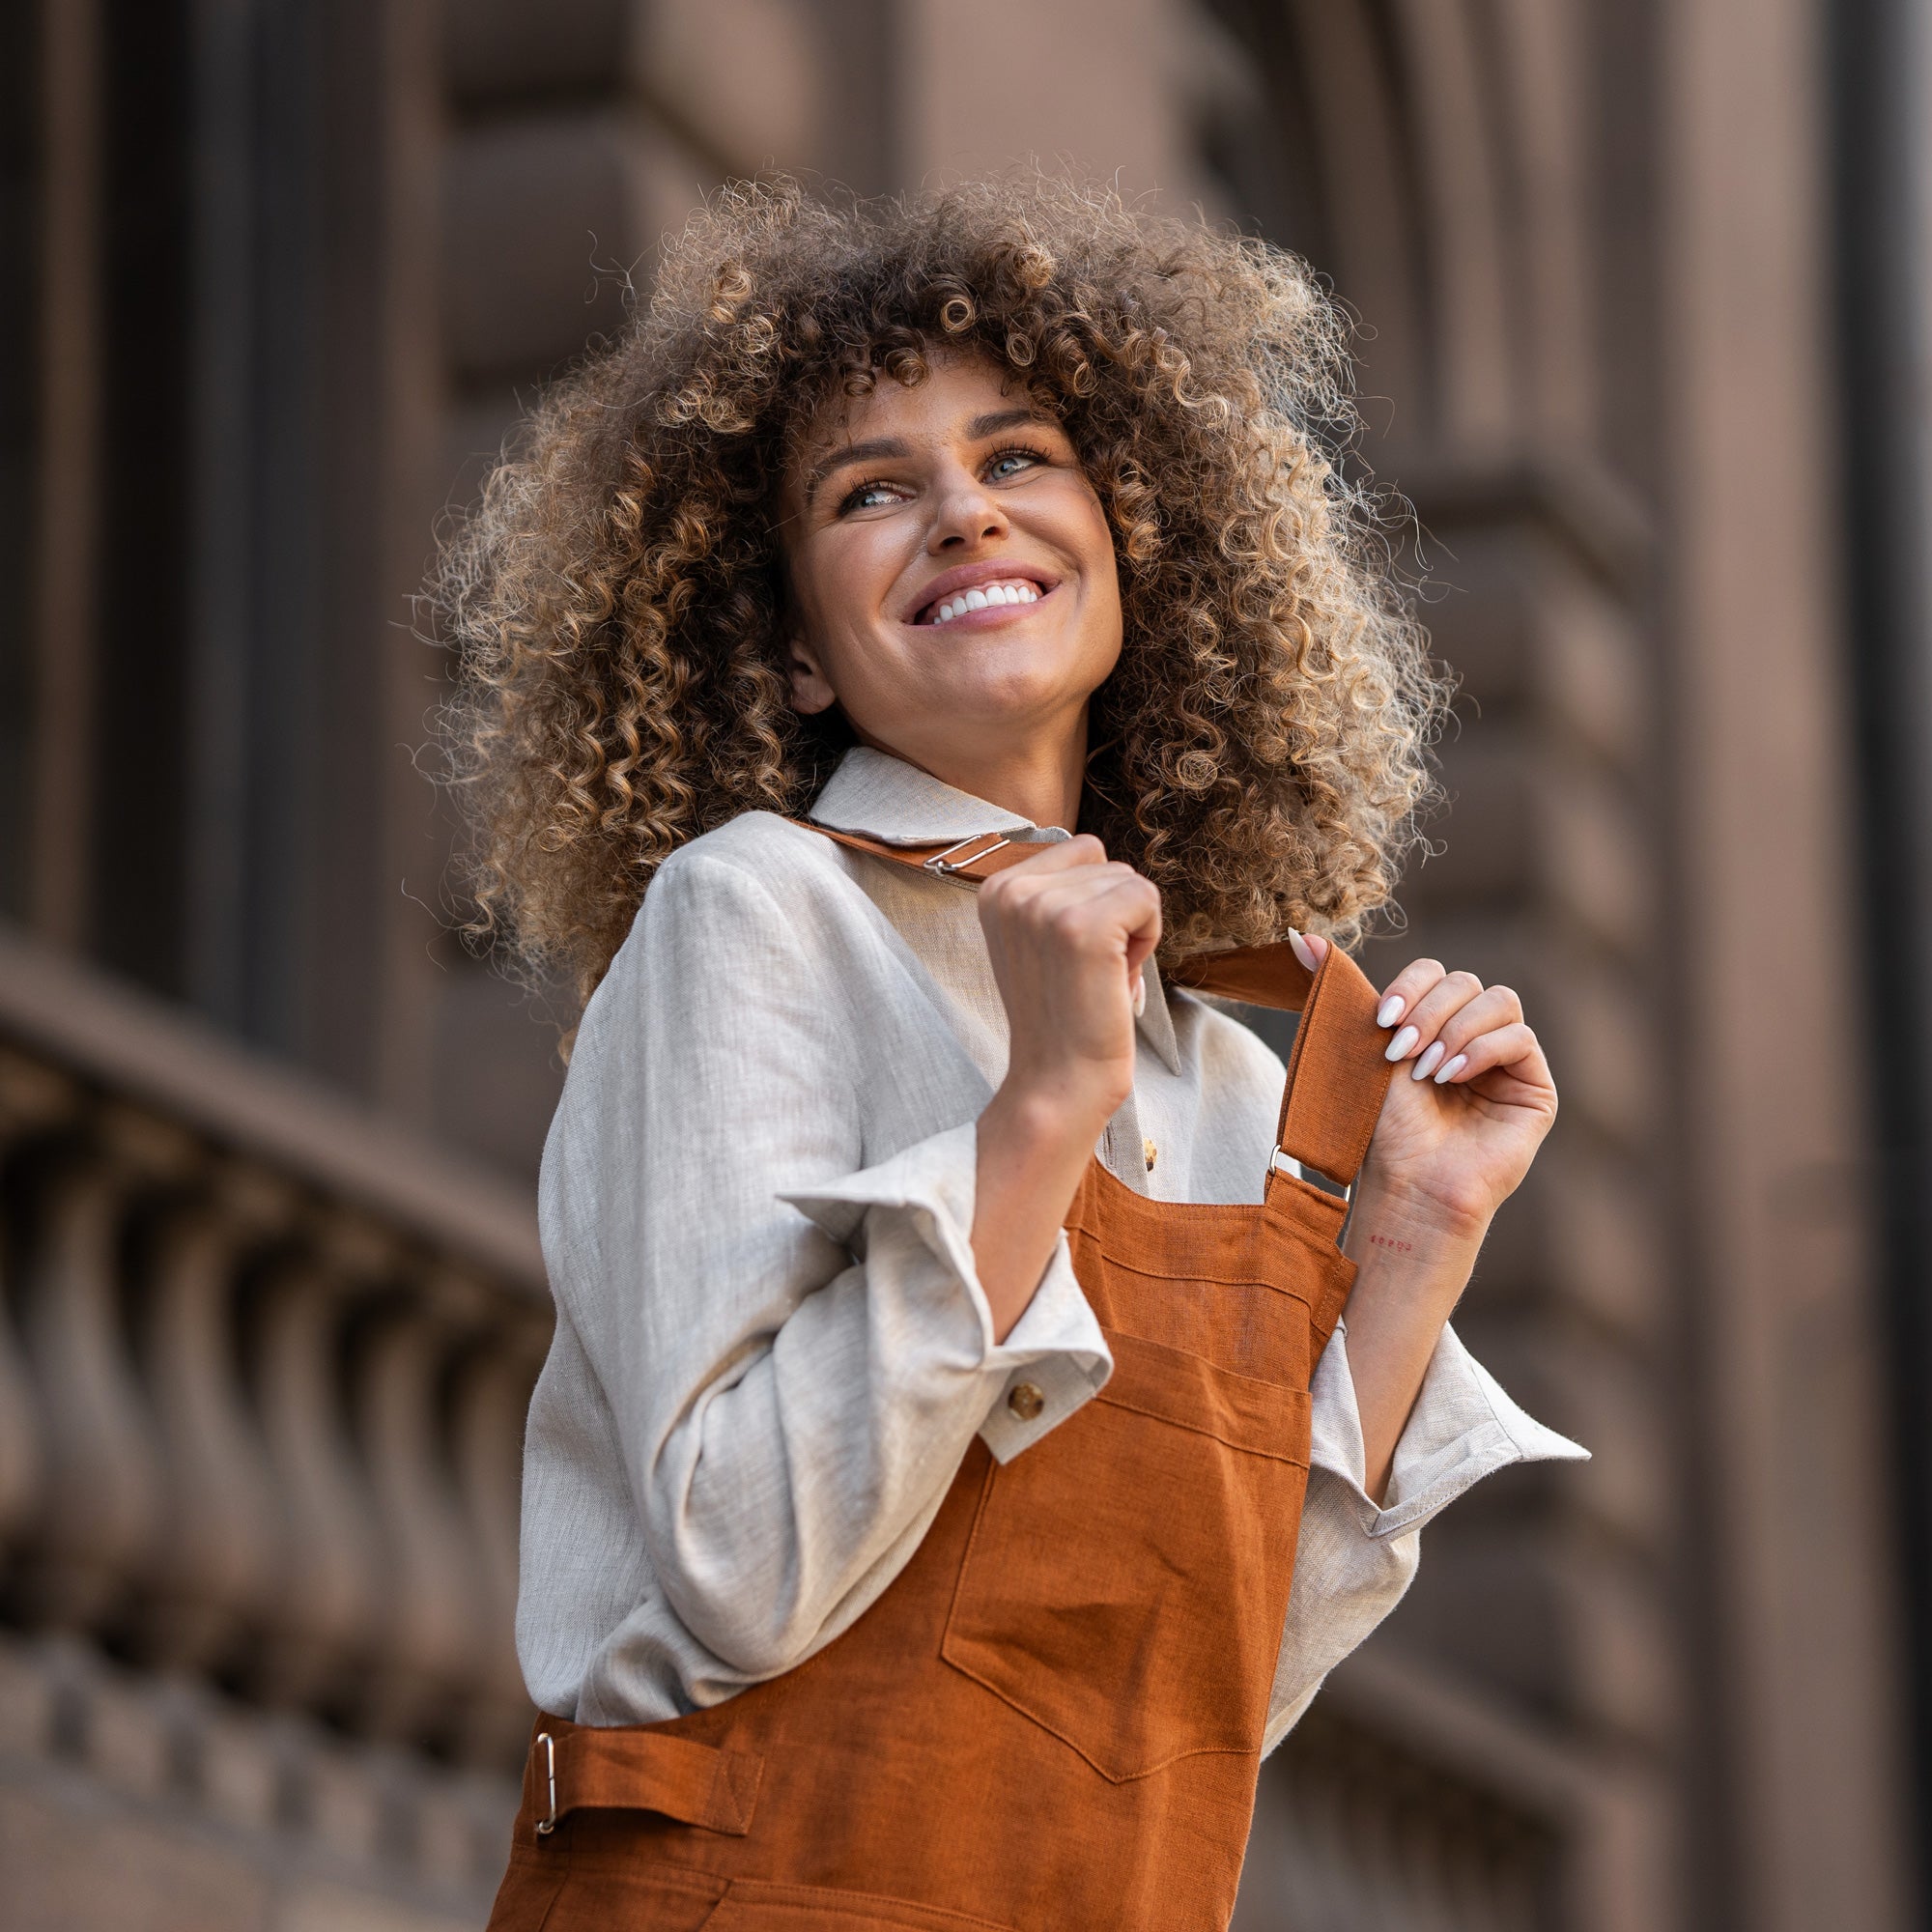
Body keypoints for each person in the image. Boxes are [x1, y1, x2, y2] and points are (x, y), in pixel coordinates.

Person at [436, 177, 1584, 1932]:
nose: (963, 515)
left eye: (1018, 458)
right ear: (799, 653)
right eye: (871, 490)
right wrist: (1041, 1105)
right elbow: (740, 1567)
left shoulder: (1234, 1076)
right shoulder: (749, 916)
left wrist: (1418, 1237)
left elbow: (1197, 1708)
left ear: (1135, 538)